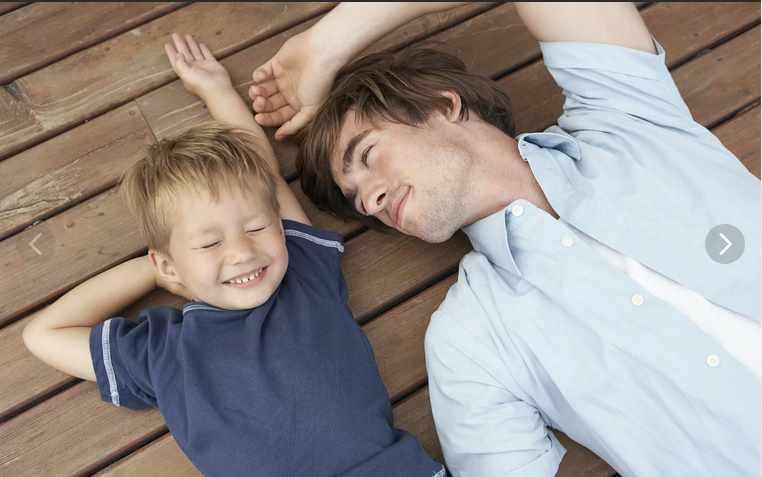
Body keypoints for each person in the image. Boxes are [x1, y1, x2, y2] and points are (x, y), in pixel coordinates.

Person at [248, 2, 761, 476]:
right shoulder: (473, 342)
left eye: (367, 156)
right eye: (358, 200)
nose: (370, 199)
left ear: (444, 106)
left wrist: (327, 44)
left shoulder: (628, 119)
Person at [21, 32, 446, 477]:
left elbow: (265, 179)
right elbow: (44, 334)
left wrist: (217, 92)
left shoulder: (301, 272)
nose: (242, 252)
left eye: (256, 228)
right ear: (169, 264)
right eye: (209, 243)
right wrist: (154, 273)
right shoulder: (165, 352)